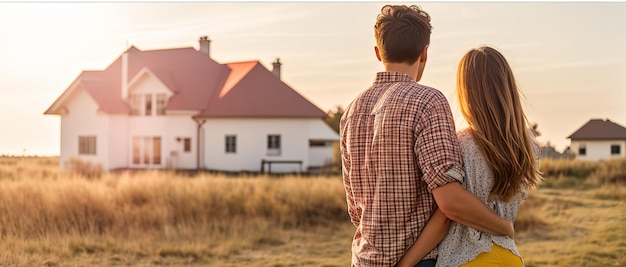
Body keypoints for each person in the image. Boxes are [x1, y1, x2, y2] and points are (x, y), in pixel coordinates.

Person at [340, 5, 514, 267]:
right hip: (420, 261)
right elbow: (450, 204)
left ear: (377, 52)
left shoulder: (351, 111)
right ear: (424, 52)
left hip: (363, 260)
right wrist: (505, 227)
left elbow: (355, 208)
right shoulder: (428, 101)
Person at [396, 46, 543, 267]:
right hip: (509, 257)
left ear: (466, 92)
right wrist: (505, 227)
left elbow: (446, 216)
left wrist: (405, 264)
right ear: (508, 88)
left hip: (467, 259)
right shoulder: (527, 148)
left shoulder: (457, 145)